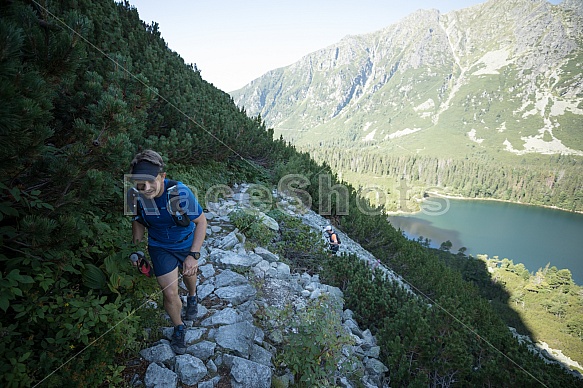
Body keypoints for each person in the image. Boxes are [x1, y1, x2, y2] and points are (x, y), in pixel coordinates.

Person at [128, 150, 207, 355]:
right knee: (170, 292)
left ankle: (192, 295)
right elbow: (137, 221)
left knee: (190, 274)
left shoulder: (179, 193)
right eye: (139, 182)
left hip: (185, 242)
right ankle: (179, 326)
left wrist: (194, 255)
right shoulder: (133, 195)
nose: (144, 187)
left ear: (162, 176)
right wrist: (135, 250)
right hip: (159, 247)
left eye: (150, 181)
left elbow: (201, 222)